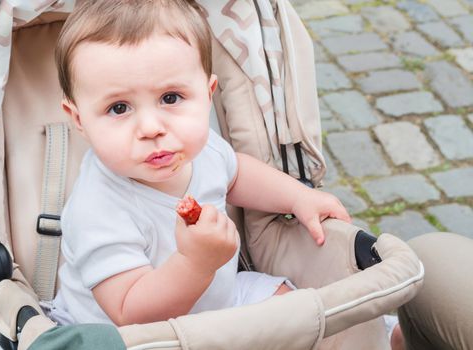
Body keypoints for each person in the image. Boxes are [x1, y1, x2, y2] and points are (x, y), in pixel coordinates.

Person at [47, 1, 412, 348]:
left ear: (208, 95)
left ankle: (380, 333)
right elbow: (130, 312)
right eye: (119, 108)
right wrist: (196, 263)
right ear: (79, 119)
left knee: (294, 306)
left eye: (171, 98)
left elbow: (236, 175)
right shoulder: (97, 209)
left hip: (219, 298)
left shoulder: (202, 151)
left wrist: (297, 196)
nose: (151, 127)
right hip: (134, 336)